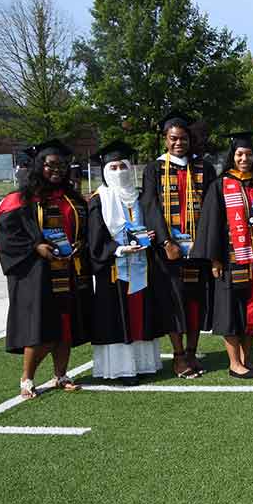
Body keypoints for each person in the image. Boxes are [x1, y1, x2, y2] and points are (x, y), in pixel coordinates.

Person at [0, 139, 92, 399]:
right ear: (39, 166)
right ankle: (27, 379)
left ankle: (60, 374)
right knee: (39, 329)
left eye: (62, 165)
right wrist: (36, 247)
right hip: (36, 274)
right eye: (51, 165)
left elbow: (82, 230)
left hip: (69, 270)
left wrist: (81, 243)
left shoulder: (72, 199)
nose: (57, 170)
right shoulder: (20, 200)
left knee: (66, 325)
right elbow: (7, 237)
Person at [141, 110, 217, 378]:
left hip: (197, 249)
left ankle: (193, 353)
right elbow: (150, 206)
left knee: (195, 301)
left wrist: (206, 243)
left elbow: (211, 206)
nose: (178, 143)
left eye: (183, 138)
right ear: (165, 140)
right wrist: (164, 241)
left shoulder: (203, 167)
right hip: (169, 250)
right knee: (174, 302)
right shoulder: (154, 169)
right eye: (173, 138)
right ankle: (178, 355)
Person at [88, 140, 170, 385]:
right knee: (118, 318)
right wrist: (119, 248)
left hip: (143, 269)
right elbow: (95, 239)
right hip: (114, 271)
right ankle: (122, 370)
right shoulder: (98, 200)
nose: (119, 172)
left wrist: (152, 236)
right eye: (112, 168)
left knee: (142, 315)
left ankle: (144, 364)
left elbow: (152, 224)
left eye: (122, 166)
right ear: (104, 172)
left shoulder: (140, 197)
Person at [191, 133, 253, 379]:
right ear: (232, 157)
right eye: (240, 154)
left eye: (249, 154)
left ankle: (246, 359)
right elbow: (211, 223)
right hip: (229, 259)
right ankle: (234, 363)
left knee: (249, 311)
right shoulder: (221, 185)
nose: (245, 158)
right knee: (230, 312)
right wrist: (214, 259)